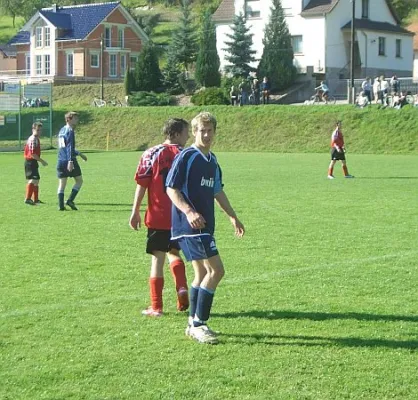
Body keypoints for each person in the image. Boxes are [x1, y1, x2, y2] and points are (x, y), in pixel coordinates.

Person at [166, 112, 245, 344]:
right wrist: (189, 212)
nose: (207, 134)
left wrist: (233, 217)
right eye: (202, 130)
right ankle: (200, 324)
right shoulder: (187, 156)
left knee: (201, 273)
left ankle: (192, 323)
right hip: (190, 225)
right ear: (194, 132)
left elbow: (217, 190)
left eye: (210, 130)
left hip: (205, 226)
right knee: (216, 271)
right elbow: (171, 188)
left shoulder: (213, 161)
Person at [129, 118, 190, 317]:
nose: (188, 136)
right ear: (175, 133)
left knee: (157, 259)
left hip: (158, 216)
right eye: (185, 132)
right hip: (180, 216)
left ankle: (156, 307)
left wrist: (135, 210)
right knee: (174, 252)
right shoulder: (187, 155)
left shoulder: (151, 153)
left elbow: (142, 183)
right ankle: (181, 287)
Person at [56, 111, 87, 211]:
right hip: (69, 160)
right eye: (75, 118)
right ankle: (70, 200)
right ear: (68, 119)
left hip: (60, 160)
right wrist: (70, 161)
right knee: (79, 181)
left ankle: (61, 206)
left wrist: (79, 154)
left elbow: (64, 147)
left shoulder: (61, 130)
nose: (77, 120)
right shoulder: (70, 131)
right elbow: (69, 147)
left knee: (62, 183)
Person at [23, 122, 48, 205]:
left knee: (36, 180)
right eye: (37, 130)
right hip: (30, 162)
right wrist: (42, 161)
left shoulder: (36, 138)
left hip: (33, 161)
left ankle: (36, 200)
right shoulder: (33, 139)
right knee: (33, 179)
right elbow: (33, 154)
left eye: (40, 130)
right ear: (33, 129)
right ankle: (28, 198)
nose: (39, 132)